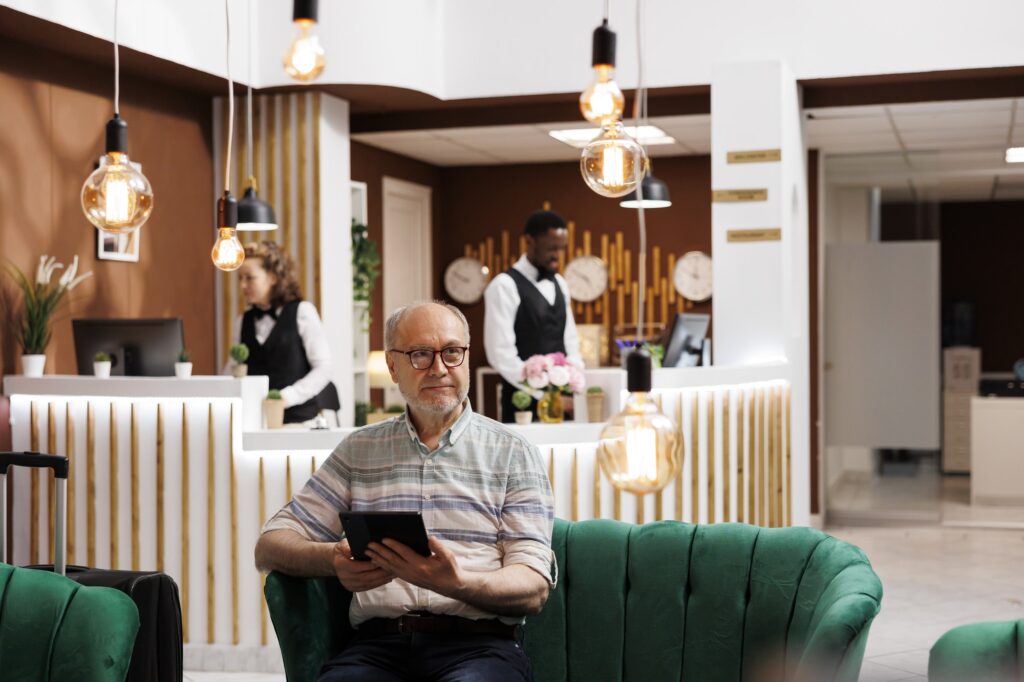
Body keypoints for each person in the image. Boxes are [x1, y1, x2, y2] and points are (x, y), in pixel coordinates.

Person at [255, 301, 555, 681]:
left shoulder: (513, 453)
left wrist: (457, 583)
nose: (439, 368)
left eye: (451, 352)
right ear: (393, 367)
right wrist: (332, 558)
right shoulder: (359, 451)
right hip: (377, 648)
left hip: (479, 649)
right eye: (420, 355)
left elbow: (532, 585)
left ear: (465, 356)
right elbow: (270, 543)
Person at [483, 209, 583, 422]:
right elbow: (500, 354)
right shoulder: (504, 286)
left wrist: (574, 383)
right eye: (551, 248)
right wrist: (544, 394)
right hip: (523, 402)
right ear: (529, 241)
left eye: (561, 249)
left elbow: (570, 342)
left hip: (566, 400)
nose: (557, 256)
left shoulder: (561, 284)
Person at [224, 240, 339, 424]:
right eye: (240, 279)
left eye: (249, 278)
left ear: (272, 278)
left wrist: (287, 397)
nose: (242, 286)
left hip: (300, 422)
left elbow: (324, 369)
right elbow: (232, 370)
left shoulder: (303, 312)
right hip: (256, 422)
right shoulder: (242, 321)